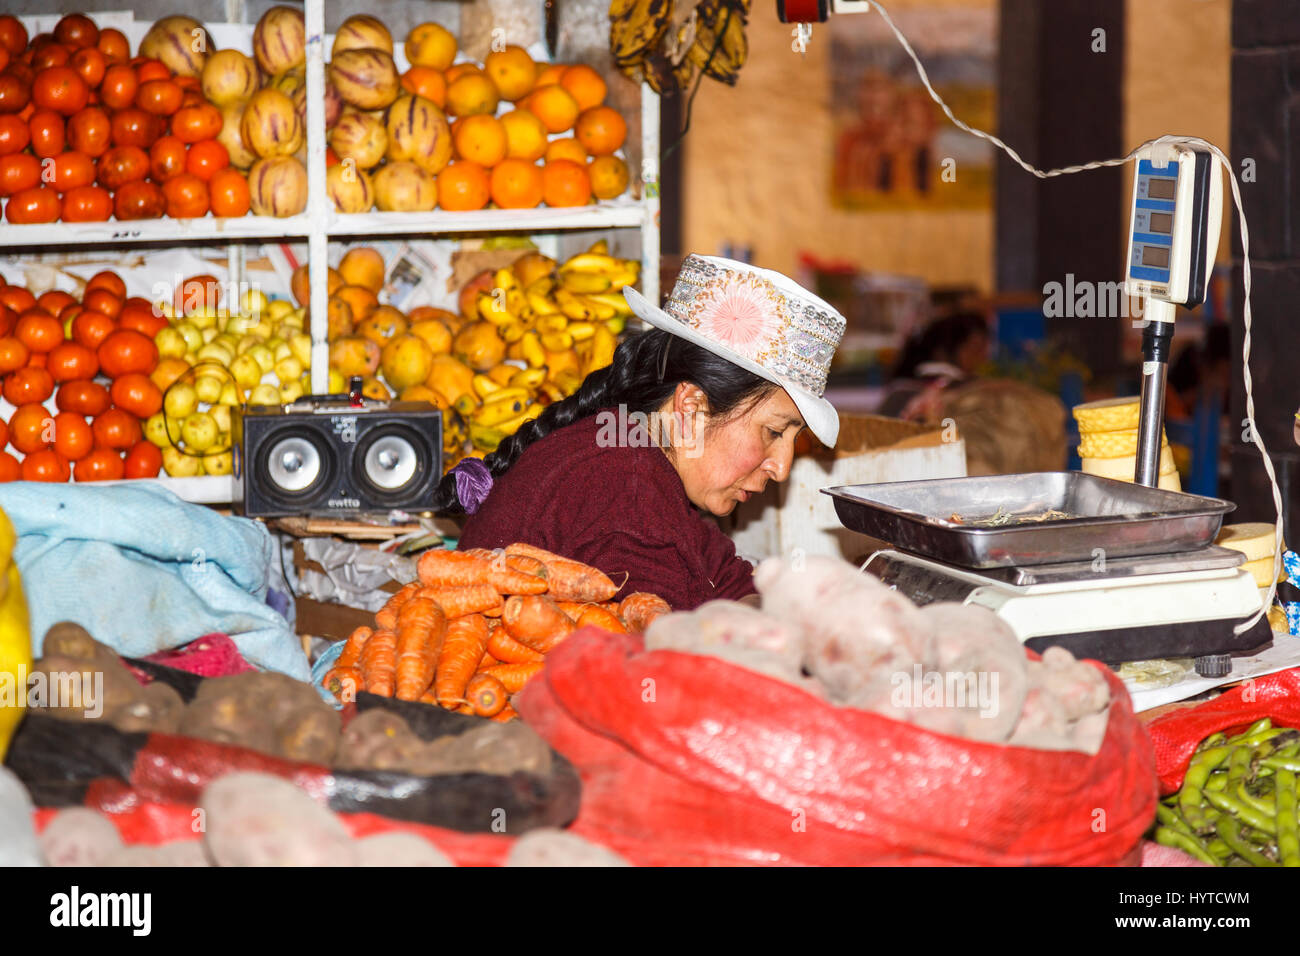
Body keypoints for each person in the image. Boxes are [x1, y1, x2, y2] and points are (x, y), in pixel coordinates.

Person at [432, 255, 847, 611]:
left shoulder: (638, 461)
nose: (782, 467)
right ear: (692, 408)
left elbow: (732, 583)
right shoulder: (624, 486)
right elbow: (659, 657)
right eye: (774, 431)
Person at [876, 311, 990, 419]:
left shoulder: (977, 392)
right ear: (942, 352)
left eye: (983, 349)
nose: (983, 357)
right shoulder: (902, 395)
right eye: (974, 349)